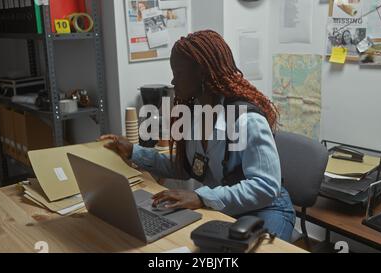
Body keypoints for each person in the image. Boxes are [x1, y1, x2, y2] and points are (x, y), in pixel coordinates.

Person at [100, 30, 296, 241]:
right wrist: (134, 152)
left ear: (202, 73)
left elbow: (265, 187)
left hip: (266, 210)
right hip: (227, 207)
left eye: (179, 73)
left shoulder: (246, 120)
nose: (173, 81)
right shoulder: (194, 113)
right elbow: (186, 167)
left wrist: (201, 197)